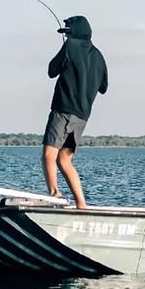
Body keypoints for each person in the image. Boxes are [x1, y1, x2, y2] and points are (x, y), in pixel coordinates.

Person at [43, 15, 108, 209]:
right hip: (82, 116)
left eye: (68, 32)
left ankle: (54, 192)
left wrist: (66, 50)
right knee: (64, 158)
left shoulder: (70, 46)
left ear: (74, 33)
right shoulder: (98, 55)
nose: (67, 35)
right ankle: (81, 204)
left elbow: (51, 70)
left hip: (63, 109)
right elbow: (103, 87)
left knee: (49, 154)